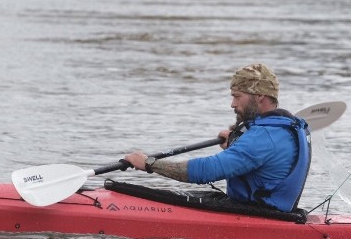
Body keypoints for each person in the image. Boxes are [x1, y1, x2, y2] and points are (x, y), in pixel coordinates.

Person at [124, 63, 311, 212]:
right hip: (269, 210)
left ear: (259, 95)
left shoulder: (262, 138)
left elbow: (207, 171)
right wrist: (235, 144)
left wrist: (150, 164)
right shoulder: (287, 127)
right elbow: (262, 161)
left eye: (237, 96)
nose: (232, 104)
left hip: (258, 216)